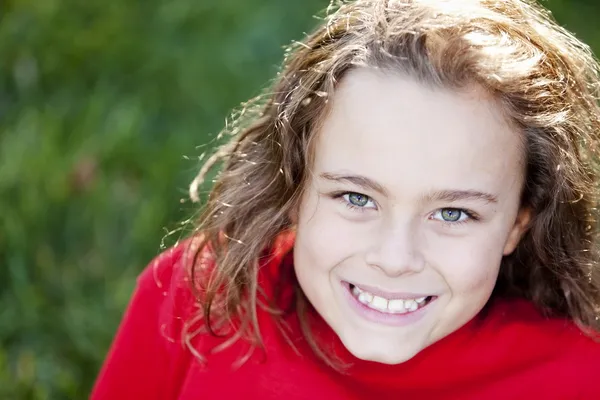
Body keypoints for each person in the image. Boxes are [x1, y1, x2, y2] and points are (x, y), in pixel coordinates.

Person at [91, 0, 600, 398]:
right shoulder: (196, 297)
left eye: (453, 212)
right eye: (356, 198)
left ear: (517, 223)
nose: (395, 259)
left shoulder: (580, 378)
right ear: (293, 184)